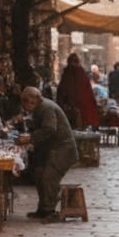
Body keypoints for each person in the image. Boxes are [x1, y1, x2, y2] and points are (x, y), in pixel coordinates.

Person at [16, 87, 79, 222]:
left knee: (49, 177)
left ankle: (51, 211)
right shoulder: (40, 109)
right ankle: (43, 209)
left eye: (27, 103)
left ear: (34, 101)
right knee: (39, 174)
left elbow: (49, 128)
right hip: (54, 149)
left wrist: (29, 138)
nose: (25, 106)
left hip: (63, 150)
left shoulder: (46, 108)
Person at [56, 52, 100, 130]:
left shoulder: (67, 72)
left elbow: (62, 90)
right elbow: (87, 90)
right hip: (82, 106)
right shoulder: (81, 72)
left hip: (69, 106)